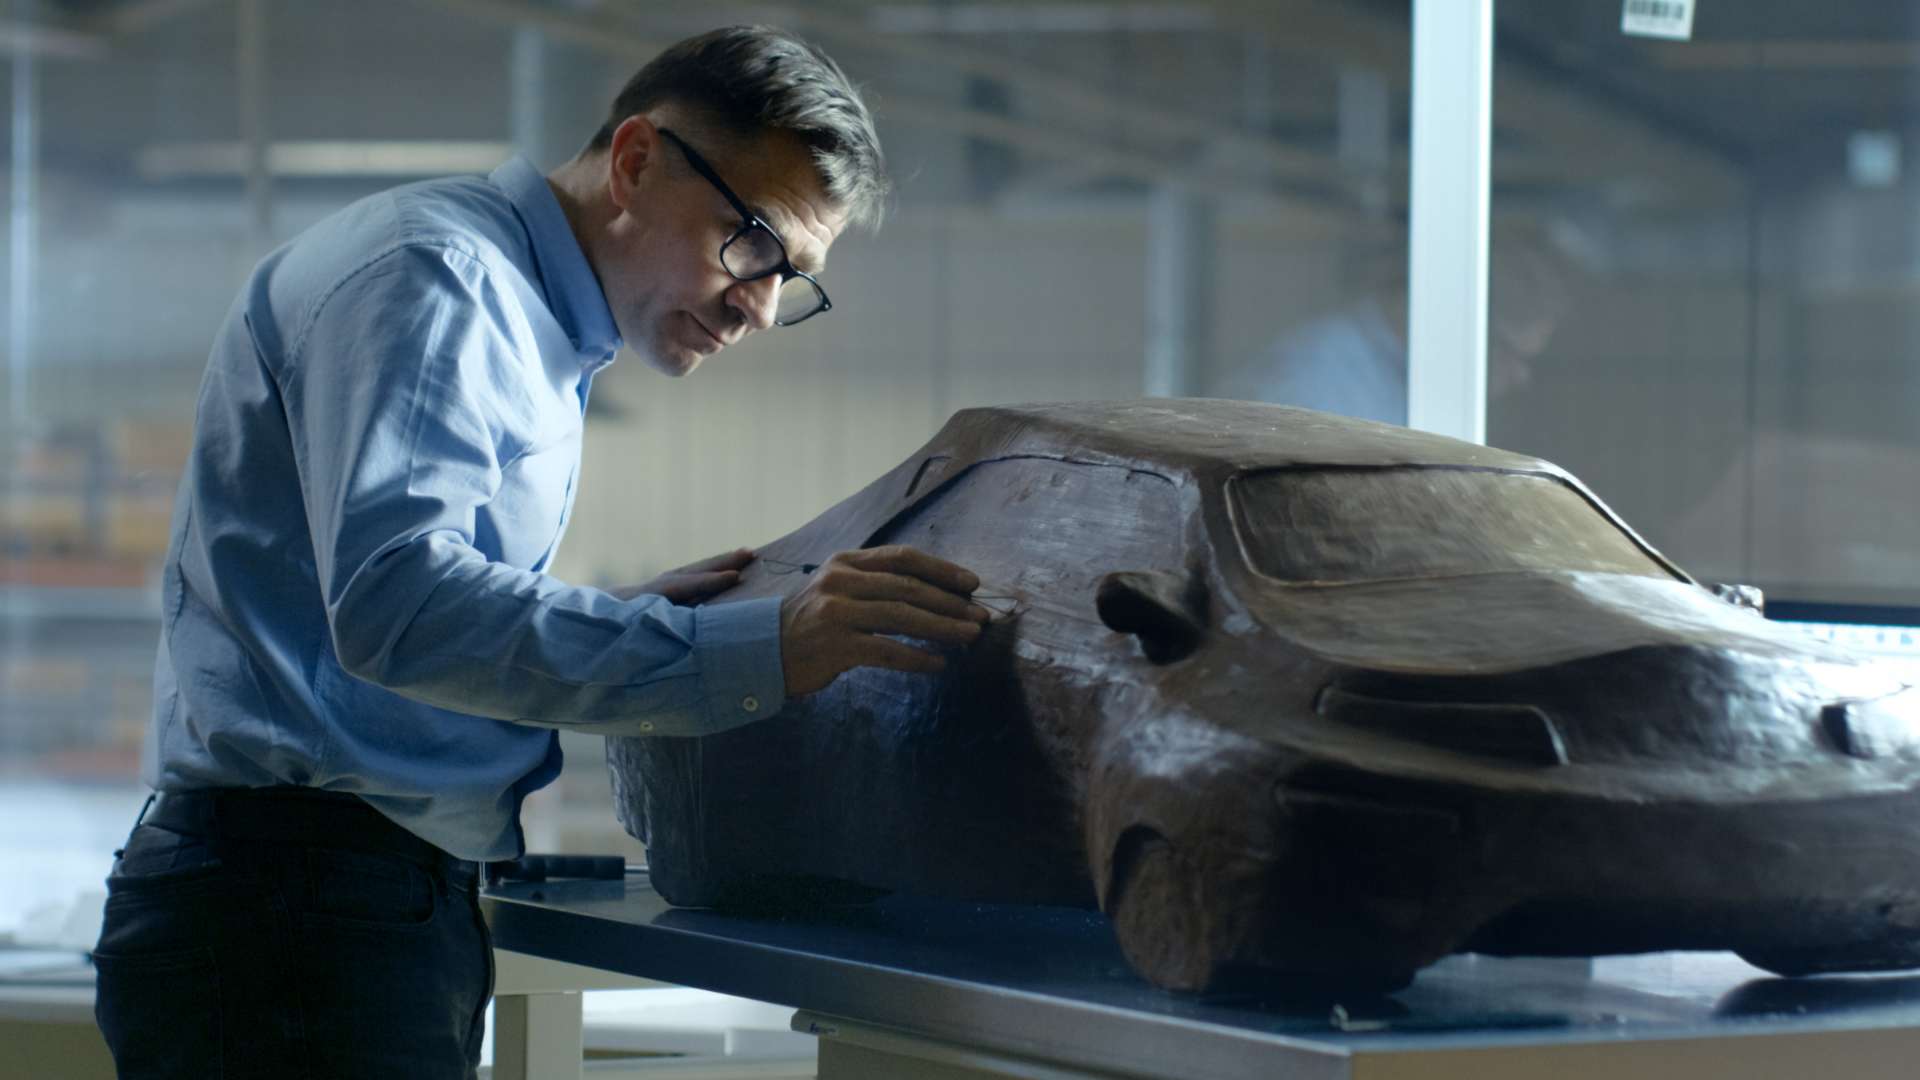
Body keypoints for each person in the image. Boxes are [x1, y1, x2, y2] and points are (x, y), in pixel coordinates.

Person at [91, 25, 990, 1078]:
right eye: (751, 241)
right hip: (299, 911)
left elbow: (380, 620)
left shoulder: (519, 320)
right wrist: (757, 650)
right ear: (635, 161)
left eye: (794, 278)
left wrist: (633, 611)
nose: (758, 306)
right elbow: (402, 609)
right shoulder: (442, 284)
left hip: (321, 901)